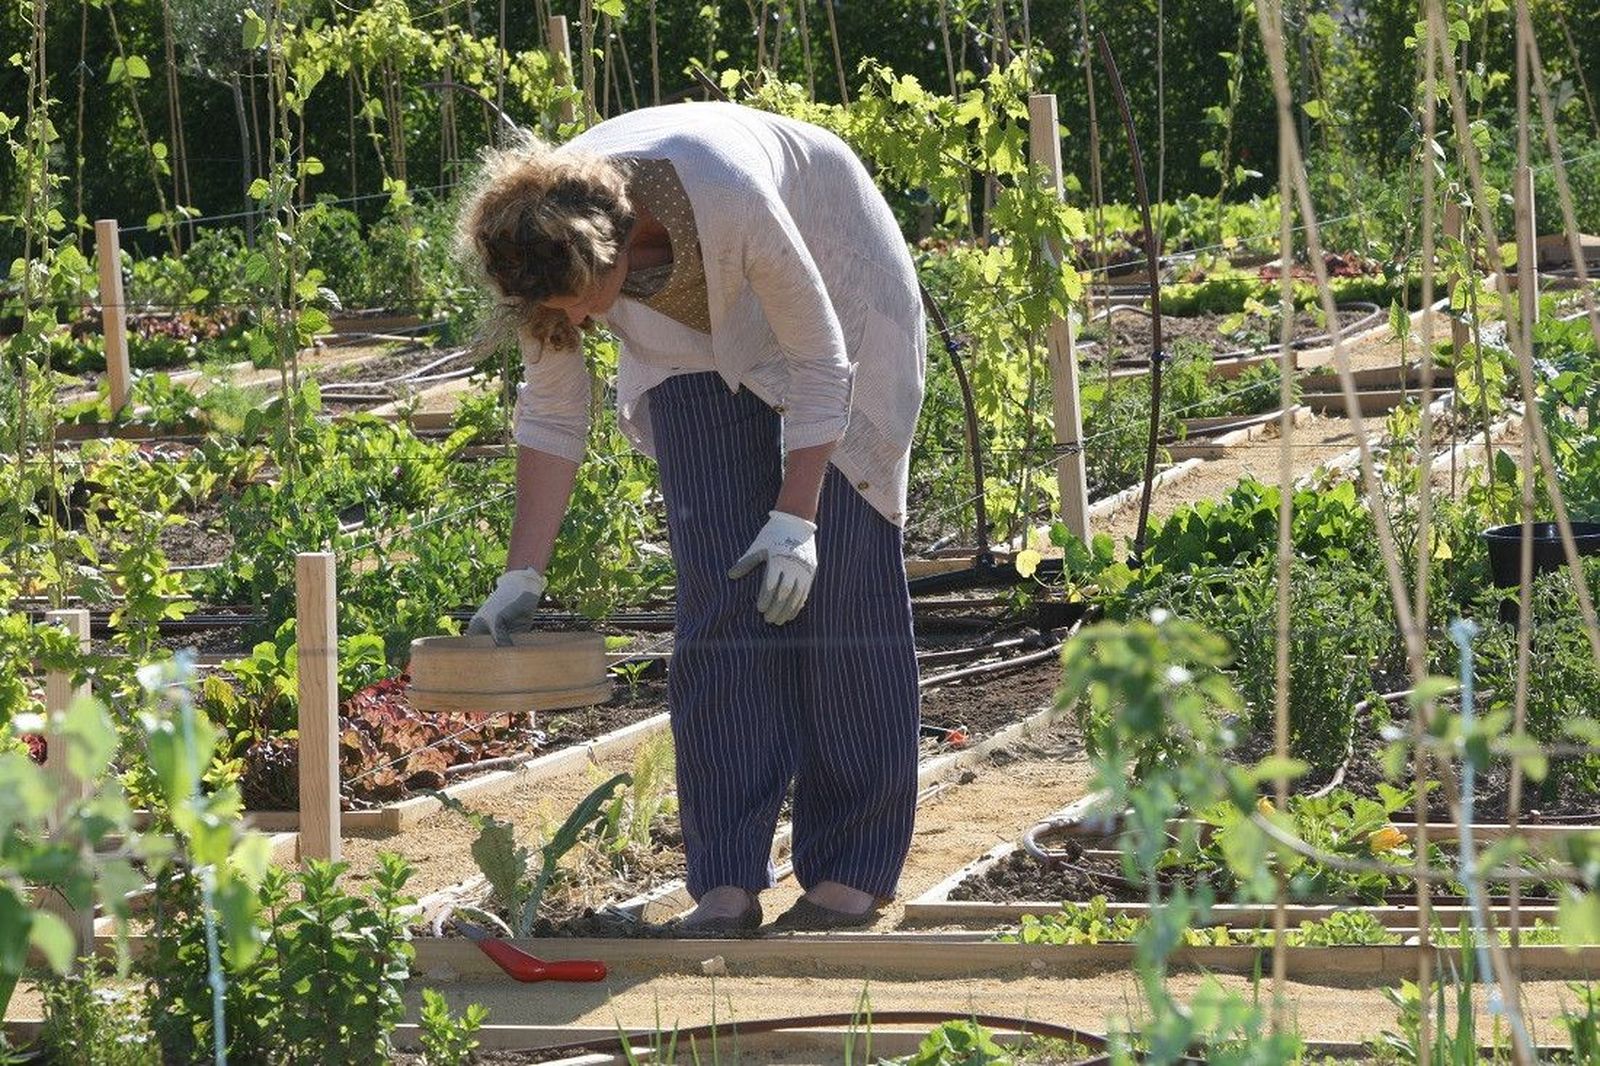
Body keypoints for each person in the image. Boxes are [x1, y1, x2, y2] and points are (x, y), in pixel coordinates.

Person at [459, 102, 925, 933]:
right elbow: (554, 411)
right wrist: (520, 572)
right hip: (687, 353)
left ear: (616, 248)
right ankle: (726, 882)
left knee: (842, 580)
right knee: (720, 595)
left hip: (838, 301)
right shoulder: (543, 253)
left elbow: (822, 360)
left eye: (579, 302)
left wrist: (795, 519)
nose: (572, 321)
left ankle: (848, 873)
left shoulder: (724, 192)